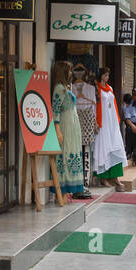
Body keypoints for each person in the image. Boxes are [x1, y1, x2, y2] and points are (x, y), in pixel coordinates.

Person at [50, 61, 91, 200]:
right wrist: (57, 129)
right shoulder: (59, 88)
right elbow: (55, 110)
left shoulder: (65, 87)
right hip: (65, 127)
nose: (71, 73)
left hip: (72, 128)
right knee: (65, 155)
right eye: (68, 70)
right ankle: (60, 193)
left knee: (71, 154)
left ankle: (65, 192)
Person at [91, 67, 128, 191]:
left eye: (108, 75)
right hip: (102, 122)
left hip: (111, 122)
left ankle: (115, 177)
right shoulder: (95, 89)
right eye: (105, 75)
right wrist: (95, 121)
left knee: (115, 146)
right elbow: (93, 106)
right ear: (100, 75)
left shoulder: (110, 88)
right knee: (103, 147)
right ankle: (103, 177)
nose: (107, 77)